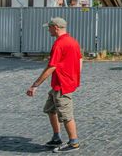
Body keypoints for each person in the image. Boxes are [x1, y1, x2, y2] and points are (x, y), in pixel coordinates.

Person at [26, 17, 83, 152]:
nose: (48, 30)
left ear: (56, 28)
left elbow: (52, 66)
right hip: (60, 84)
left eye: (50, 27)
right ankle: (56, 137)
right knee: (50, 110)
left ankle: (74, 142)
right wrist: (74, 76)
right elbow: (80, 59)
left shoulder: (59, 44)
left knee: (66, 115)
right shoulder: (72, 41)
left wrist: (35, 85)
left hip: (62, 85)